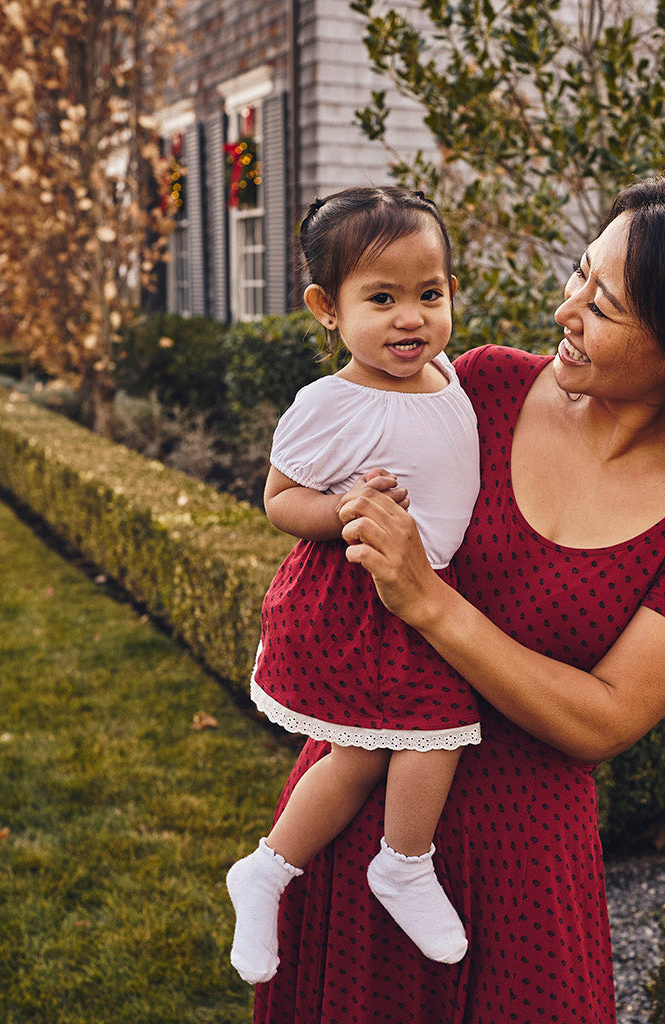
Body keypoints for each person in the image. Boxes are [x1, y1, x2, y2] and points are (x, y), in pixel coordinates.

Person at [252, 175, 665, 1024]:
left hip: (521, 871)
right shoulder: (476, 390)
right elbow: (314, 507)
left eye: (606, 303)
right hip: (359, 809)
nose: (567, 310)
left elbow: (604, 719)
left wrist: (429, 603)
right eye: (579, 273)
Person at [226, 186, 482, 985]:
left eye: (428, 294)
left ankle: (273, 869)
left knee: (375, 748)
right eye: (382, 298)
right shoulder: (331, 403)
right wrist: (346, 509)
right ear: (326, 308)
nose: (411, 317)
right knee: (415, 732)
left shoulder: (447, 374)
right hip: (363, 600)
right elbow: (277, 499)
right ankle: (390, 863)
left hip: (425, 592)